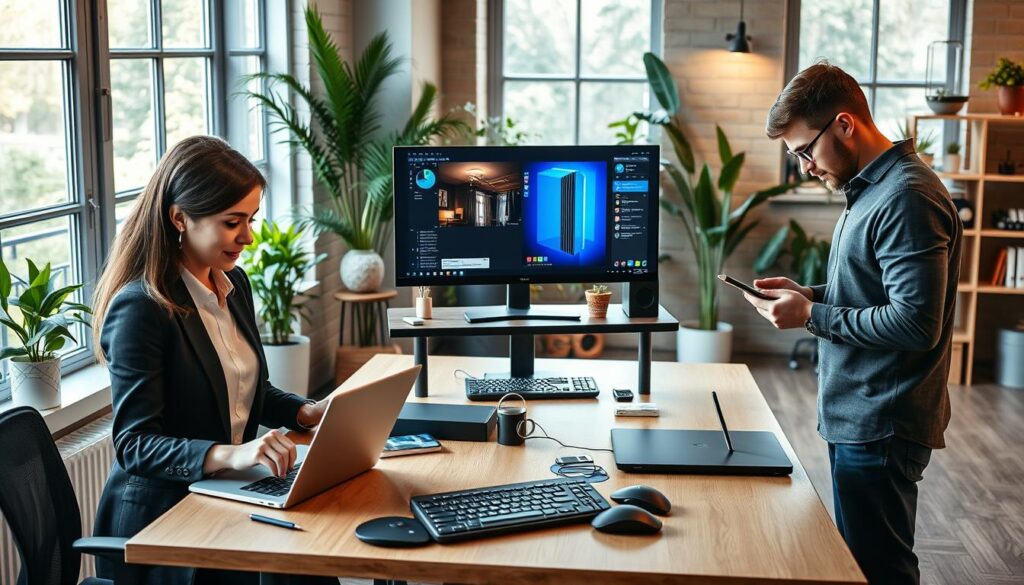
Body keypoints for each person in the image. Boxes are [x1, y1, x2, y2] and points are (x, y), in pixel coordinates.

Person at [747, 61, 962, 584]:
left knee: (879, 568)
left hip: (882, 422)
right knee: (861, 562)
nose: (803, 168)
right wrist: (808, 294)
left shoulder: (906, 197)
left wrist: (811, 315)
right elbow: (872, 292)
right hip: (861, 415)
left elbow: (915, 323)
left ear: (844, 124)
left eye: (805, 151)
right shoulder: (871, 189)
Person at [91, 136, 337, 585]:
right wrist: (235, 453)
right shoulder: (142, 307)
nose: (248, 236)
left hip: (225, 493)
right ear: (180, 218)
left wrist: (306, 411)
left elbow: (248, 390)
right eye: (232, 222)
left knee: (311, 556)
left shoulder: (233, 283)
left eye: (251, 219)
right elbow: (134, 444)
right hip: (165, 516)